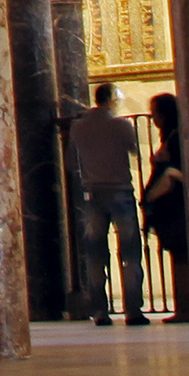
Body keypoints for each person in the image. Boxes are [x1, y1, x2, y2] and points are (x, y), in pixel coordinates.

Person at [61, 82, 148, 325]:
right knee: (130, 253)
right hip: (120, 191)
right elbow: (134, 150)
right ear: (111, 100)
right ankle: (133, 310)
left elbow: (71, 162)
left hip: (92, 193)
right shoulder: (121, 125)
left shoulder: (79, 127)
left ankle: (99, 310)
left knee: (95, 254)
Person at [144, 89, 189, 324]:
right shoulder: (173, 136)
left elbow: (175, 172)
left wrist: (152, 195)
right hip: (173, 207)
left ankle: (187, 308)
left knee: (182, 256)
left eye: (155, 114)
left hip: (175, 207)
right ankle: (184, 307)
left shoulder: (175, 138)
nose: (153, 119)